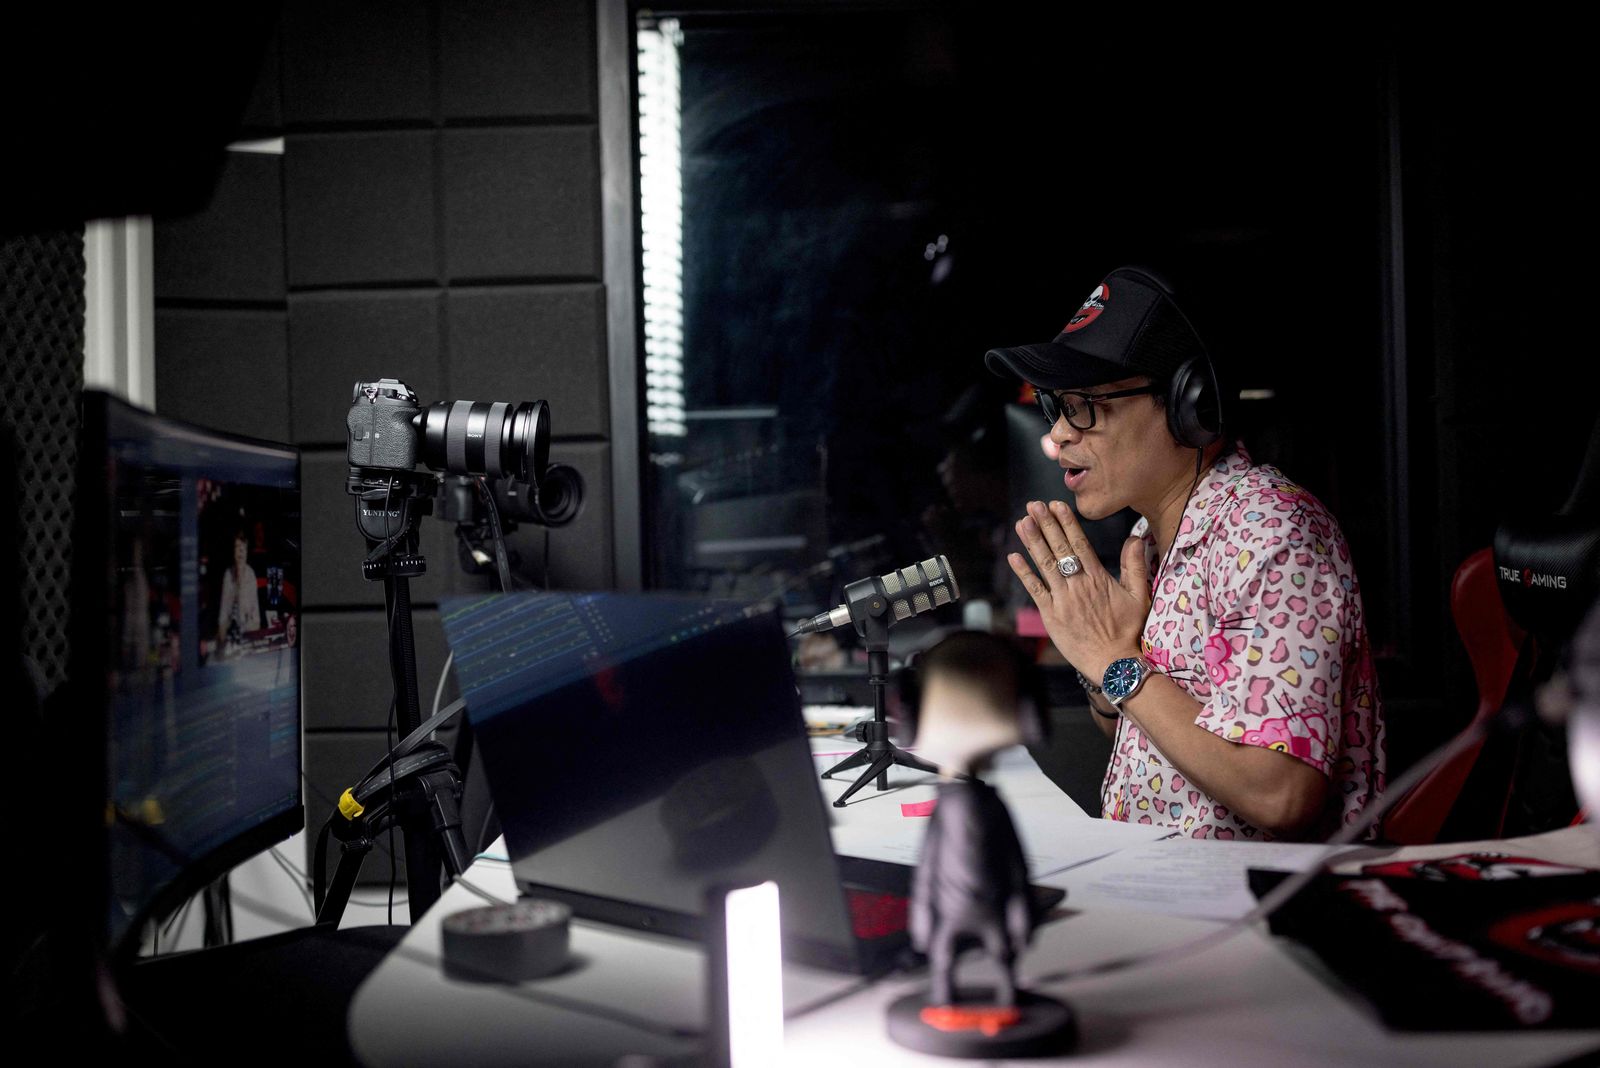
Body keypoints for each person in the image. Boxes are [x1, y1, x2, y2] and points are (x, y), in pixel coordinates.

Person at [984, 266, 1385, 840]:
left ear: (1188, 405)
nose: (1060, 436)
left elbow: (1280, 792)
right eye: (1057, 407)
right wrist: (1108, 672)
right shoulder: (1152, 539)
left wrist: (1113, 663)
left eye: (1086, 406)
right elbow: (1159, 735)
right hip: (1171, 889)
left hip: (1255, 909)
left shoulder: (1270, 532)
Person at [216, 524, 261, 648]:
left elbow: (256, 620)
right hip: (231, 639)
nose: (241, 551)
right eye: (237, 547)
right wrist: (223, 644)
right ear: (233, 551)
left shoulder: (251, 575)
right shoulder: (228, 575)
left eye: (244, 548)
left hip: (247, 638)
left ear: (247, 551)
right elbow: (223, 616)